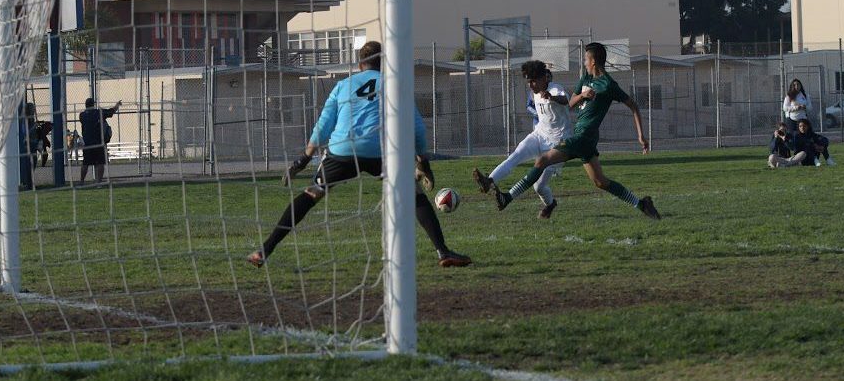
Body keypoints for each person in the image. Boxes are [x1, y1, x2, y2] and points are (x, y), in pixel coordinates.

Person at [247, 41, 471, 268]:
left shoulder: (343, 85)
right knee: (414, 195)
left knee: (312, 194)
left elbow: (324, 124)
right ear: (384, 62)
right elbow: (417, 126)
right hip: (382, 153)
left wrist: (304, 158)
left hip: (343, 150)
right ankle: (443, 252)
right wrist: (423, 161)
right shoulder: (394, 84)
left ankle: (265, 250)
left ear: (360, 64)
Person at [493, 42, 660, 220]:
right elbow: (570, 104)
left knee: (542, 161)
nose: (584, 63)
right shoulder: (585, 80)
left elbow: (633, 106)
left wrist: (641, 135)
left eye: (586, 59)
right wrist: (582, 95)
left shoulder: (608, 84)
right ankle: (642, 204)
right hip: (582, 138)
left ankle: (507, 197)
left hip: (583, 137)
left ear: (593, 61)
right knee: (600, 182)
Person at [472, 61, 569, 219]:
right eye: (528, 81)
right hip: (539, 135)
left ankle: (550, 204)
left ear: (544, 78)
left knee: (539, 186)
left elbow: (565, 100)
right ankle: (488, 181)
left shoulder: (554, 88)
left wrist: (553, 97)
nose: (531, 85)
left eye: (533, 81)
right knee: (515, 155)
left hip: (558, 143)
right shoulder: (535, 92)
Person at [78, 97, 121, 184]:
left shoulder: (82, 115)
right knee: (100, 162)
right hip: (98, 142)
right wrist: (117, 105)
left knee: (85, 163)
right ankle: (98, 182)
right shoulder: (99, 113)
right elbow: (111, 112)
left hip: (87, 143)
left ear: (86, 105)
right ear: (93, 105)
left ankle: (82, 181)